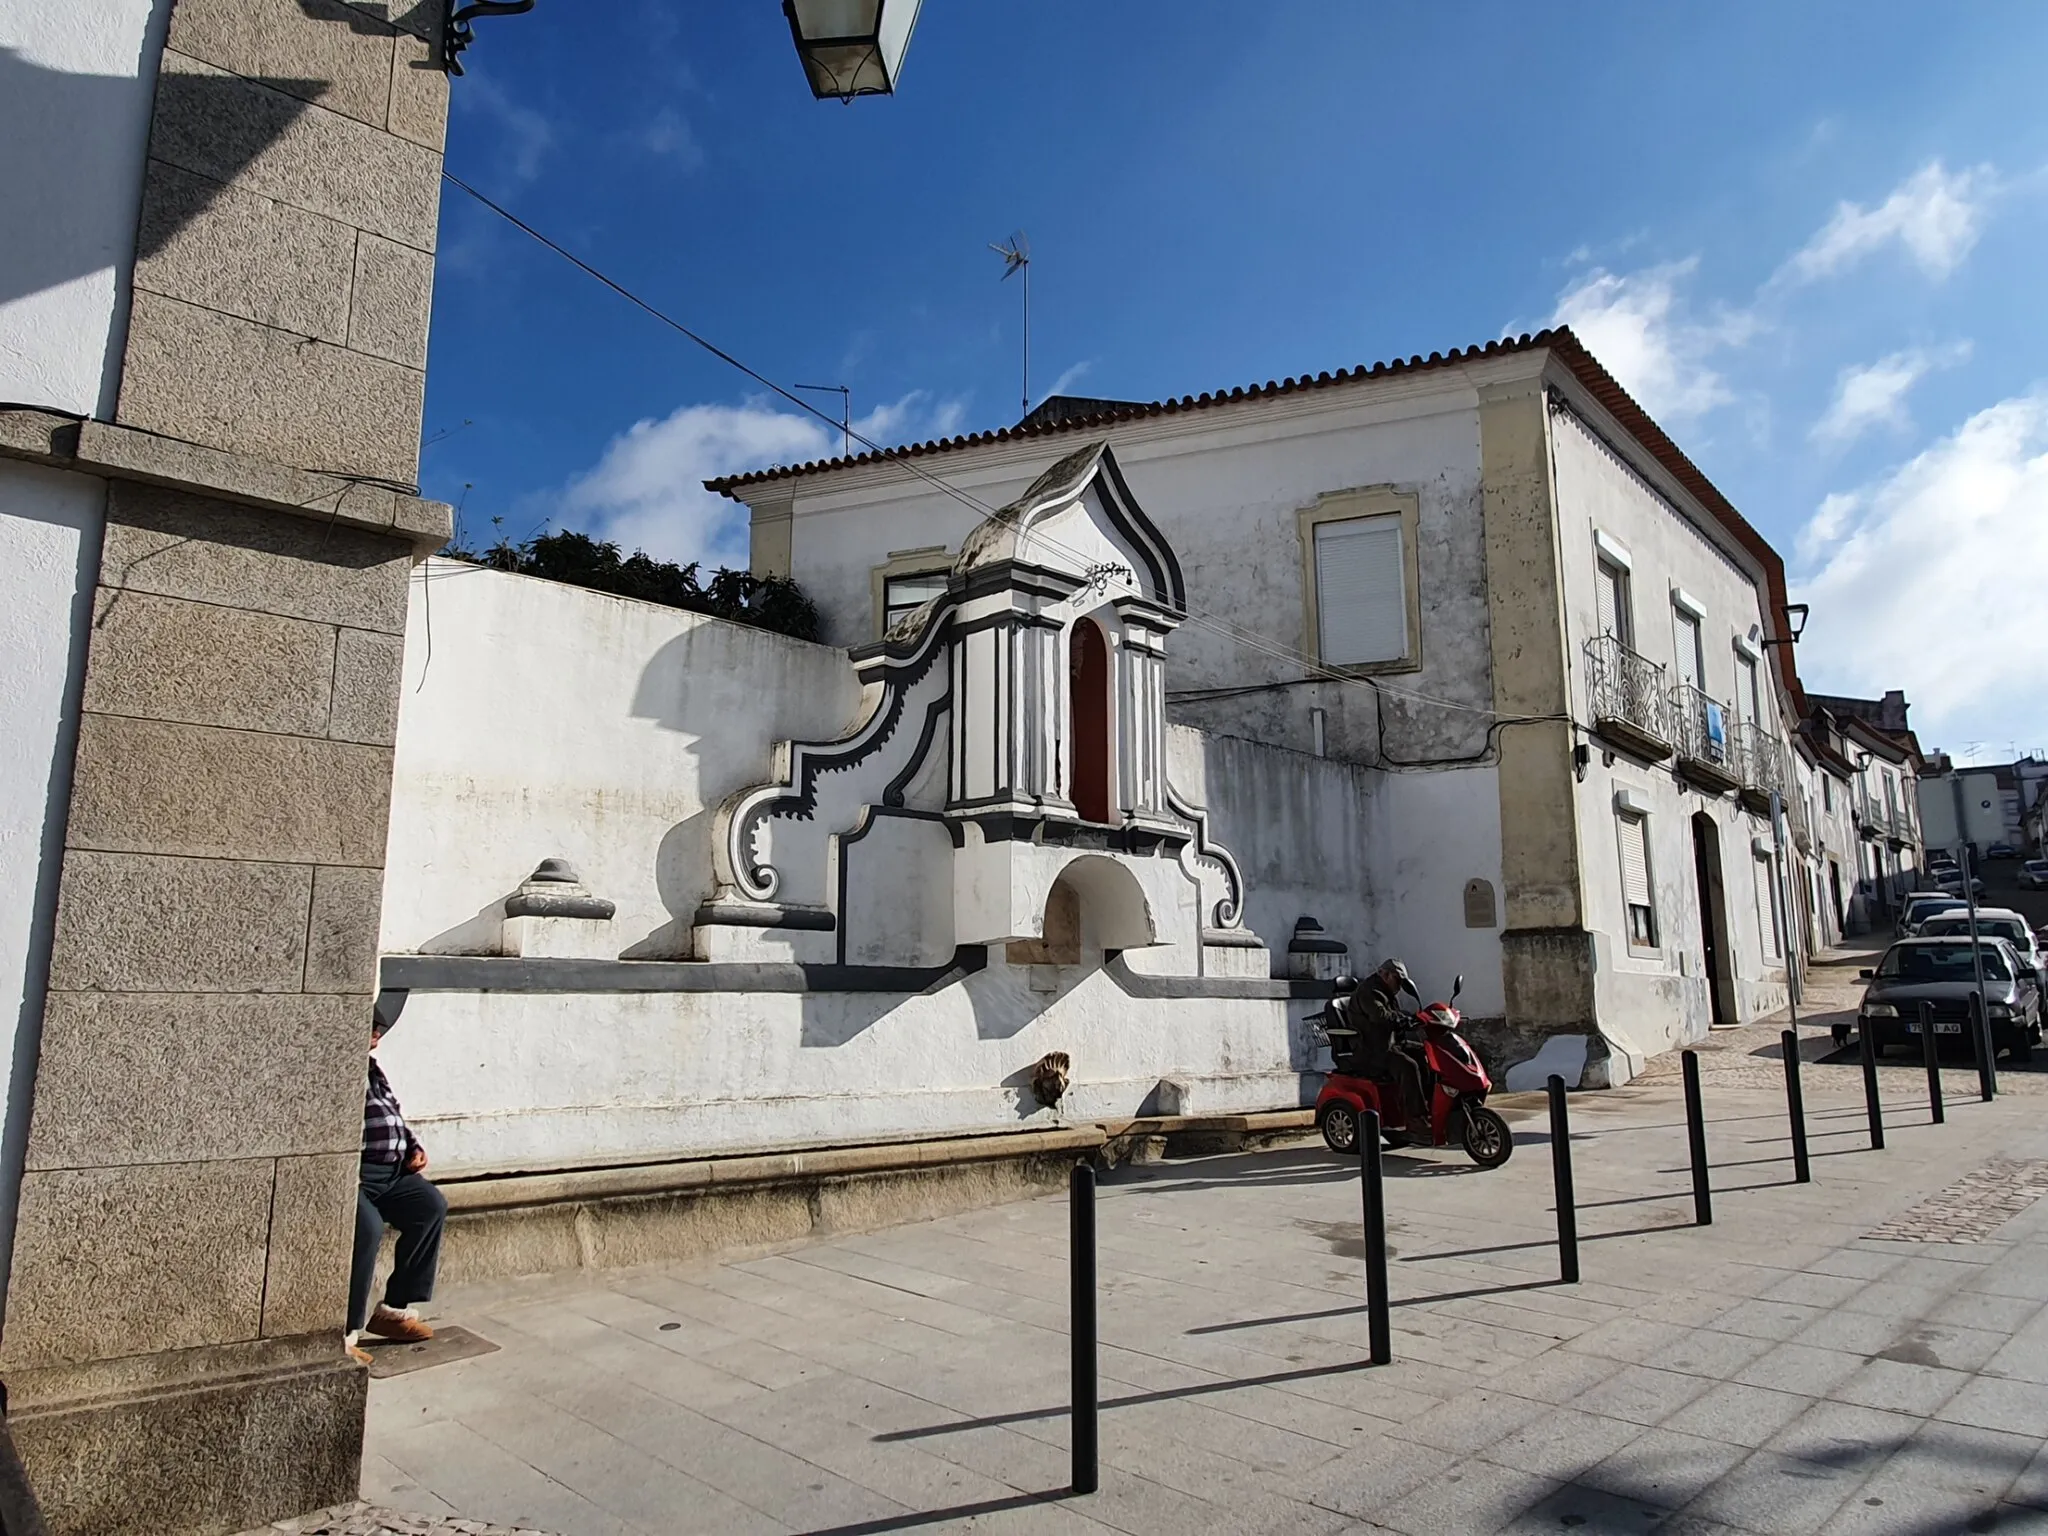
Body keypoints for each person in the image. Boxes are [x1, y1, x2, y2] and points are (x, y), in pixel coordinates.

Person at [348, 999, 447, 1366]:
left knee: (429, 1206)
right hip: (357, 1175)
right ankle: (346, 1330)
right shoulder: (339, 1068)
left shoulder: (374, 1070)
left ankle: (393, 1310)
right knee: (368, 1229)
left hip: (393, 1173)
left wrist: (413, 1147)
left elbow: (394, 1117)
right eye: (372, 1026)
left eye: (380, 1029)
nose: (378, 1034)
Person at [1336, 957, 1428, 1129]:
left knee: (1426, 1054)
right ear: (1385, 974)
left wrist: (1415, 1019)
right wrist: (1403, 1019)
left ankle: (1427, 1106)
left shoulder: (1386, 991)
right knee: (1408, 1066)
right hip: (1372, 1049)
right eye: (1397, 980)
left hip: (1390, 1044)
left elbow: (1394, 1015)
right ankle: (1415, 1118)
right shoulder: (1369, 992)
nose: (1399, 986)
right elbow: (1381, 1016)